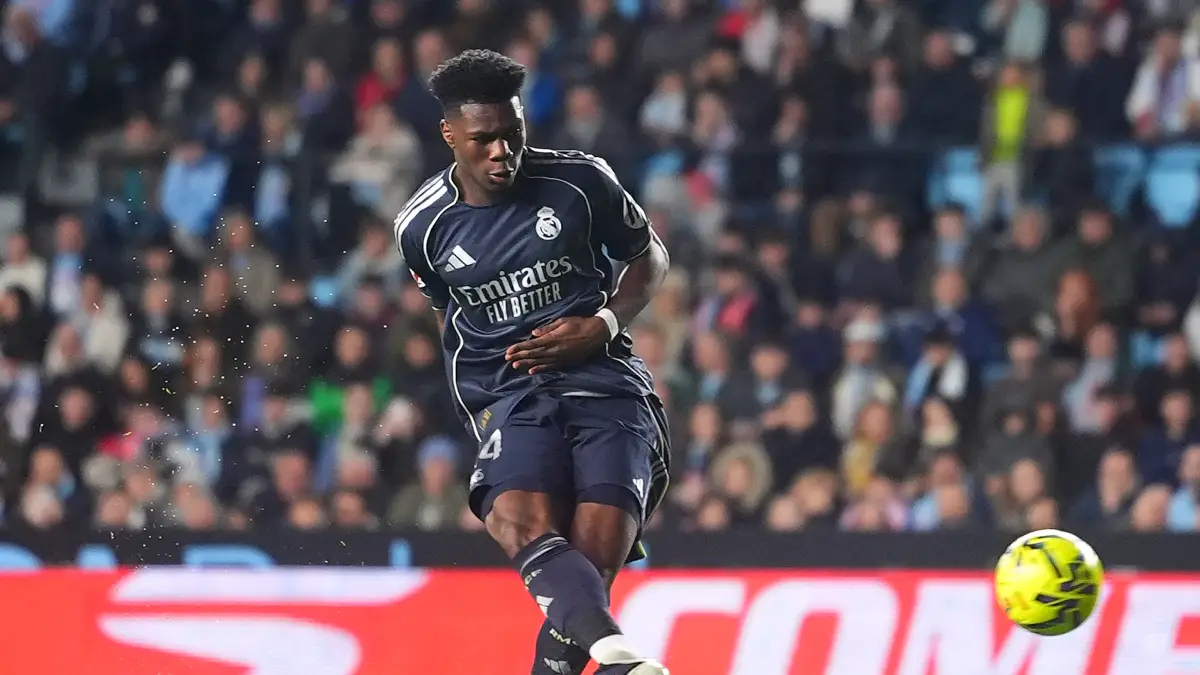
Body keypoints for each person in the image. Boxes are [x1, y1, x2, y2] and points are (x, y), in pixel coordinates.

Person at [393, 50, 672, 675]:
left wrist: (602, 324)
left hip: (605, 386)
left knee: (592, 564)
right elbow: (447, 315)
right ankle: (623, 661)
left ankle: (611, 654)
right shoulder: (422, 227)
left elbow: (648, 258)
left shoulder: (581, 181)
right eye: (483, 139)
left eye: (511, 135)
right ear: (449, 136)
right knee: (517, 522)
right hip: (510, 396)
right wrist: (481, 402)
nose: (501, 152)